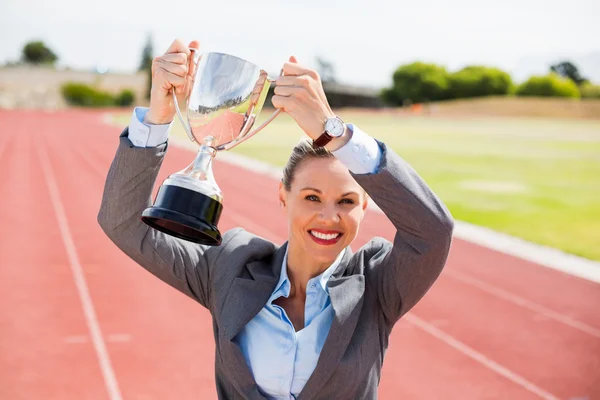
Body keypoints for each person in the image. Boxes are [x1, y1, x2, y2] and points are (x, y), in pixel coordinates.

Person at [98, 39, 454, 400]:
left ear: (365, 206)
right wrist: (158, 116)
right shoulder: (230, 269)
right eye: (311, 197)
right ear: (283, 197)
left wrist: (338, 135)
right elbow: (123, 222)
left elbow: (433, 232)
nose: (329, 217)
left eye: (346, 201)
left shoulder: (377, 287)